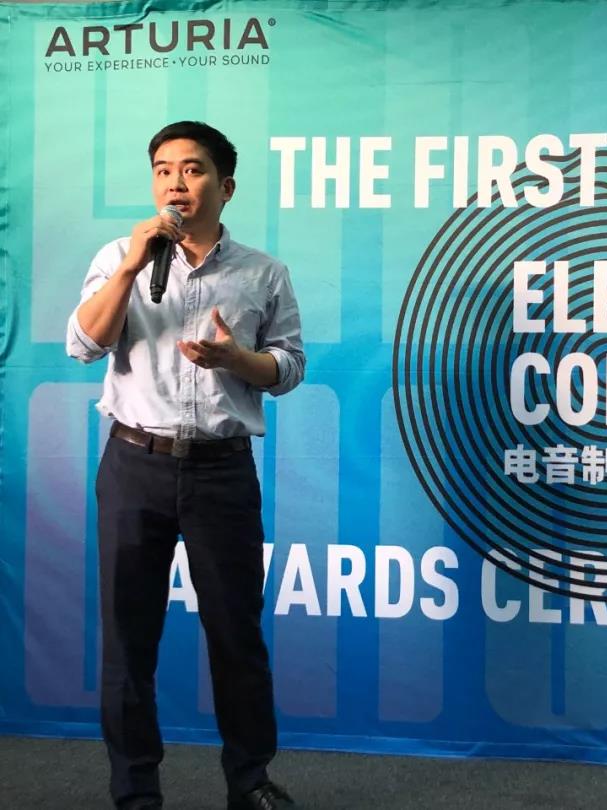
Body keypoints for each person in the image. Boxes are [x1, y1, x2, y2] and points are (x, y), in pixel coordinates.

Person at [66, 121, 305, 810]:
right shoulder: (119, 256)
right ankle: (135, 791)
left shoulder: (263, 272)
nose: (176, 183)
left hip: (221, 472)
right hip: (134, 465)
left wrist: (238, 360)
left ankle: (250, 781)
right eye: (164, 170)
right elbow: (83, 343)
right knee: (128, 640)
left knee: (236, 637)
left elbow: (289, 367)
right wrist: (132, 266)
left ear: (225, 187)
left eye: (193, 170)